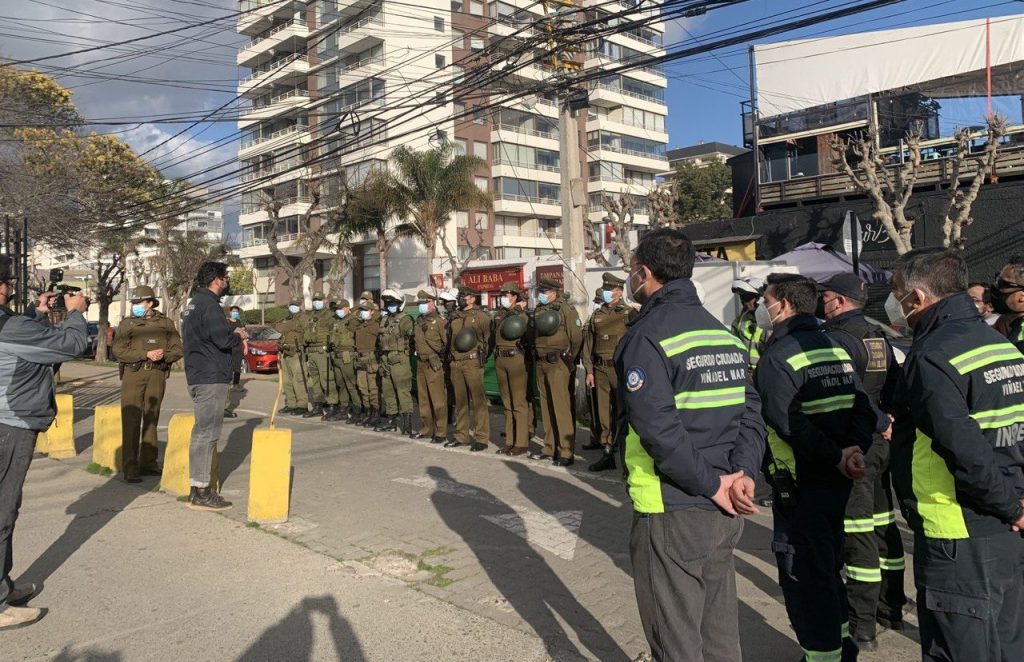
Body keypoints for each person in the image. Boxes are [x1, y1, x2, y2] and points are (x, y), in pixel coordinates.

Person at [614, 228, 765, 661]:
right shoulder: (722, 333)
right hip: (725, 506)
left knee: (676, 637)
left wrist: (713, 484)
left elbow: (657, 429)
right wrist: (743, 474)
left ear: (644, 274)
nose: (629, 279)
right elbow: (751, 413)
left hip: (673, 505)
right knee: (719, 633)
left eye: (630, 271)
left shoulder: (647, 336)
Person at [886, 248, 1024, 661]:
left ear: (918, 297)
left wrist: (1008, 506)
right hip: (1006, 526)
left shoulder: (931, 356)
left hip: (957, 528)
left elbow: (963, 449)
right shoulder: (1001, 346)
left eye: (896, 292)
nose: (895, 302)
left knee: (959, 647)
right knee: (1007, 645)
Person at [754, 272, 876, 662]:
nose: (762, 307)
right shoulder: (834, 347)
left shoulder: (778, 356)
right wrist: (853, 448)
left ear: (785, 305)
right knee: (828, 569)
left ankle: (822, 655)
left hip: (802, 486)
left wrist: (837, 454)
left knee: (806, 579)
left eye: (766, 299)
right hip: (838, 479)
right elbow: (862, 406)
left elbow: (787, 423)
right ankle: (843, 647)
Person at [818, 272, 907, 650]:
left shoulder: (836, 339)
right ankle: (892, 607)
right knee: (884, 523)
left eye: (826, 297)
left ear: (838, 301)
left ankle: (863, 624)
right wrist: (889, 419)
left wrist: (878, 419)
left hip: (856, 444)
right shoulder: (877, 336)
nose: (822, 303)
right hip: (881, 444)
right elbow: (896, 384)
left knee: (858, 534)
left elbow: (850, 392)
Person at [0, 259, 89, 630]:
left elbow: (21, 339)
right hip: (11, 424)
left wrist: (38, 314)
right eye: (6, 281)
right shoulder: (9, 325)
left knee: (7, 508)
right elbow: (72, 344)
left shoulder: (11, 323)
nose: (9, 287)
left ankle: (2, 586)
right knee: (2, 512)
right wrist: (76, 313)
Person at [181, 261, 247, 512]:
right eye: (225, 278)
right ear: (217, 280)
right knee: (207, 434)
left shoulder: (194, 304)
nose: (227, 282)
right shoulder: (209, 305)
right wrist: (238, 335)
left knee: (201, 433)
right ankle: (202, 491)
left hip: (198, 374)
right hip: (210, 377)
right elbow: (221, 339)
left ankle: (197, 486)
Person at [113, 285, 182, 484]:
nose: (135, 306)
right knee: (131, 418)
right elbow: (118, 350)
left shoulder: (166, 323)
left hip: (157, 372)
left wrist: (163, 355)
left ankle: (149, 463)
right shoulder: (127, 324)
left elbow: (178, 349)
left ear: (150, 302)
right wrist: (145, 354)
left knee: (152, 416)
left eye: (138, 302)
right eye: (133, 303)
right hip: (133, 373)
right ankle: (130, 467)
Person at [529, 277, 582, 466]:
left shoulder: (566, 309)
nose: (541, 295)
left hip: (559, 362)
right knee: (546, 407)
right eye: (540, 292)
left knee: (561, 408)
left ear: (553, 292)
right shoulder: (539, 310)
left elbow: (576, 337)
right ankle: (549, 448)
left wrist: (569, 360)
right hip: (542, 363)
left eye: (544, 292)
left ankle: (566, 451)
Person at [582, 273, 630, 472]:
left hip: (620, 370)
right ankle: (607, 452)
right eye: (606, 289)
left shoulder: (629, 314)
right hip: (600, 370)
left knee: (623, 413)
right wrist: (589, 370)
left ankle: (627, 457)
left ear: (619, 292)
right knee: (603, 413)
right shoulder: (597, 314)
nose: (607, 292)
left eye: (611, 289)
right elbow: (588, 345)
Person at [445, 287, 492, 452]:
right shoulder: (455, 317)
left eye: (464, 297)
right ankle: (461, 436)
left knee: (478, 401)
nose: (461, 299)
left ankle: (481, 438)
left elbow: (489, 340)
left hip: (472, 362)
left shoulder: (481, 317)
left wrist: (481, 357)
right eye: (460, 297)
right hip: (456, 363)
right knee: (460, 402)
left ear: (472, 299)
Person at [493, 282, 532, 456]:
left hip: (516, 358)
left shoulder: (522, 316)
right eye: (502, 294)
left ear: (515, 296)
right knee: (507, 403)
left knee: (519, 402)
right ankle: (510, 440)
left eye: (506, 294)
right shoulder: (501, 315)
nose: (503, 298)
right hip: (500, 358)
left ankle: (521, 442)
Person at [375, 290, 415, 434]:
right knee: (388, 391)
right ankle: (391, 420)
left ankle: (407, 423)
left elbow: (412, 340)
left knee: (403, 391)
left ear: (399, 304)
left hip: (399, 360)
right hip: (385, 359)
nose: (389, 305)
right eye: (387, 303)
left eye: (392, 303)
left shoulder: (406, 320)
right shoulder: (385, 320)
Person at [411, 289, 448, 443]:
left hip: (433, 363)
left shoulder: (440, 322)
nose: (422, 306)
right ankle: (427, 429)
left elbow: (446, 343)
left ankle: (440, 431)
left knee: (438, 399)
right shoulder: (419, 321)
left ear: (432, 304)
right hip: (420, 362)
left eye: (424, 303)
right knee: (423, 399)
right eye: (420, 303)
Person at [326, 298, 361, 422]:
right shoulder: (335, 321)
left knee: (351, 384)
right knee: (341, 385)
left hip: (347, 355)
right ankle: (343, 409)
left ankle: (357, 410)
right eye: (337, 309)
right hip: (336, 355)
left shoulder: (353, 321)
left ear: (347, 308)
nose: (338, 311)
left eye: (341, 309)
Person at [302, 293, 335, 419]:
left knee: (327, 380)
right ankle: (318, 406)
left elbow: (333, 332)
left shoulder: (329, 315)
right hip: (311, 351)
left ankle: (332, 405)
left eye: (319, 300)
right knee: (315, 381)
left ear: (325, 300)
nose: (317, 302)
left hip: (322, 351)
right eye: (315, 300)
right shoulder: (311, 315)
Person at [274, 299, 308, 415]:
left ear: (300, 306)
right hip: (285, 352)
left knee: (298, 379)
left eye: (295, 305)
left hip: (296, 351)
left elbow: (307, 333)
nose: (293, 307)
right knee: (287, 381)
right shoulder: (288, 319)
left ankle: (302, 405)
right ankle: (291, 404)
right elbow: (283, 334)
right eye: (291, 305)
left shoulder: (303, 318)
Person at [353, 299, 382, 427]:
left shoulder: (376, 326)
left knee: (373, 388)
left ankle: (375, 413)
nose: (363, 313)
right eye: (362, 311)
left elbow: (381, 342)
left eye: (366, 311)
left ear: (372, 311)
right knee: (363, 388)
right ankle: (368, 411)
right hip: (360, 359)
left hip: (371, 359)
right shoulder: (359, 325)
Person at [730, 276, 766, 370]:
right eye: (742, 298)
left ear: (759, 297)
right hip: (744, 370)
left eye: (748, 297)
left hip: (762, 370)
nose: (745, 302)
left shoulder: (769, 320)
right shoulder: (740, 320)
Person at [989, 257, 1024, 352]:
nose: (995, 287)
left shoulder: (1020, 340)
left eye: (1002, 283)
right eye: (997, 279)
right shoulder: (1006, 323)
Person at [224, 305, 247, 418]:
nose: (235, 313)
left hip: (238, 347)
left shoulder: (239, 322)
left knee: (237, 366)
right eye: (233, 311)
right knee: (230, 366)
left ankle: (236, 384)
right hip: (230, 348)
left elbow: (244, 336)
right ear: (230, 312)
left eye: (236, 312)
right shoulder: (227, 322)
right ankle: (228, 383)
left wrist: (245, 347)